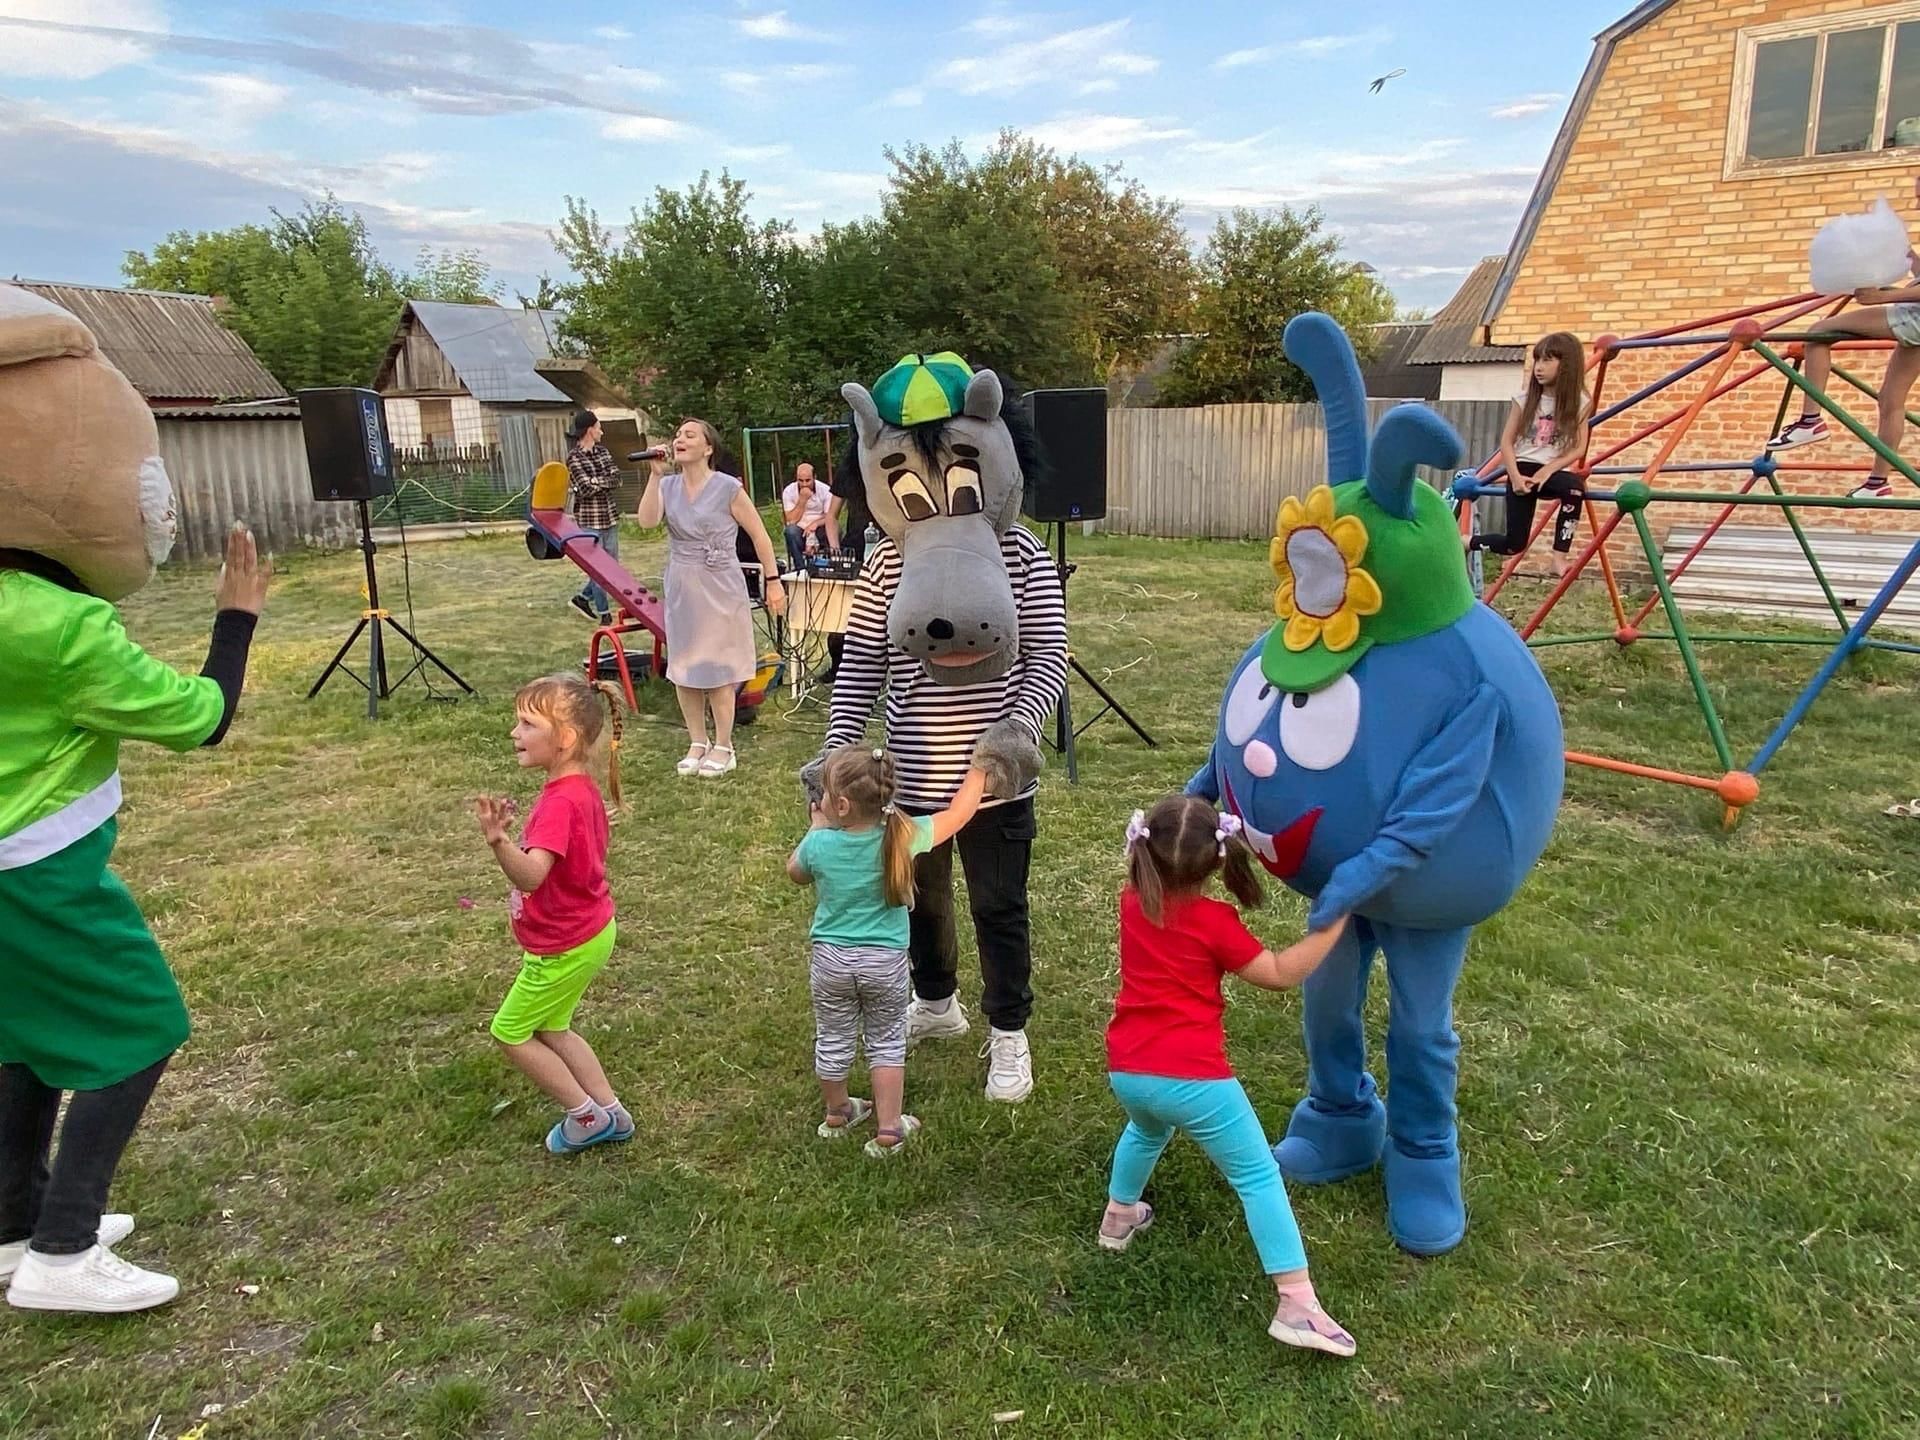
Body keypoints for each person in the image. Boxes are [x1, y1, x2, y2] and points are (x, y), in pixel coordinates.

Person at [2, 525, 267, 1314]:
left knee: (21, 1034)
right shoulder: (56, 623)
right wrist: (236, 618)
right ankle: (64, 1249)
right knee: (142, 1022)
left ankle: (15, 1226)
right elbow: (198, 717)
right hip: (35, 873)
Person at [1101, 794, 1355, 1357]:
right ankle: (1297, 1303)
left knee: (1146, 1130)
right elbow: (1280, 973)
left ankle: (1120, 1216)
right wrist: (1336, 920)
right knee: (1258, 1177)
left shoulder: (1130, 902)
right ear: (1219, 861)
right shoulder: (1215, 922)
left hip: (1128, 1070)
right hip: (1194, 1080)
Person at [786, 747, 987, 1157]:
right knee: (886, 1041)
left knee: (834, 1036)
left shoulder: (821, 843)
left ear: (839, 805)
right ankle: (889, 1129)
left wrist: (816, 828)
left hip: (831, 962)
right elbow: (958, 816)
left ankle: (838, 1112)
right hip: (885, 963)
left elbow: (795, 873)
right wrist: (980, 773)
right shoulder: (904, 835)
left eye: (822, 794)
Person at [473, 673, 632, 1155]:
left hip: (566, 944)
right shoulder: (576, 787)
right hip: (585, 932)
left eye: (526, 724)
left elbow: (532, 876)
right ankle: (613, 1113)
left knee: (510, 1031)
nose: (514, 734)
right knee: (552, 1027)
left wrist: (499, 840)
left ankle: (586, 1117)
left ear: (563, 738)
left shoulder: (560, 803)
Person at [636, 418, 786, 777]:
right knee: (684, 668)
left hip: (720, 585)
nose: (679, 440)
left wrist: (773, 580)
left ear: (708, 449)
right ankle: (696, 741)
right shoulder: (668, 485)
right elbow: (646, 522)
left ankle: (724, 745)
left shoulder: (727, 488)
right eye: (677, 436)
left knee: (718, 669)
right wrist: (655, 476)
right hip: (683, 584)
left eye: (689, 435)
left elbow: (761, 536)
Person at [1767, 279, 1920, 500]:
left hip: (1913, 317)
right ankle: (1877, 484)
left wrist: (1882, 297)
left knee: (1819, 331)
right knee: (1891, 400)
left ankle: (1810, 421)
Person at [1469, 332, 1591, 580]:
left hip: (1551, 473)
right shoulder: (1524, 400)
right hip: (1522, 470)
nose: (1539, 367)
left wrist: (1549, 469)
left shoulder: (1579, 403)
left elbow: (1579, 447)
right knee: (1515, 544)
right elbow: (1506, 441)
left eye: (1547, 360)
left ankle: (1559, 556)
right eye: (1537, 360)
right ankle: (1468, 541)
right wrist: (1514, 477)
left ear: (1566, 365)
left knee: (1574, 488)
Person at [564, 410, 622, 624]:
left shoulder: (603, 452)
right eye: (599, 427)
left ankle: (583, 598)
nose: (602, 431)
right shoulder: (573, 458)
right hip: (589, 519)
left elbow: (617, 479)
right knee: (598, 568)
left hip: (609, 516)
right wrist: (601, 481)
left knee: (611, 568)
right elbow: (584, 488)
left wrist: (596, 481)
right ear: (590, 430)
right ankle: (605, 615)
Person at [782, 462, 839, 570]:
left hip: (819, 526)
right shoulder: (789, 491)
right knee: (790, 531)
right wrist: (802, 500)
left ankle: (830, 565)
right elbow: (791, 519)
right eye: (800, 480)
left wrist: (815, 524)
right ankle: (800, 568)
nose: (804, 484)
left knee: (833, 529)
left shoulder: (825, 490)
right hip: (799, 527)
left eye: (808, 480)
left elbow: (830, 516)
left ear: (814, 478)